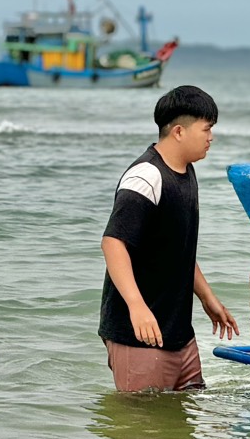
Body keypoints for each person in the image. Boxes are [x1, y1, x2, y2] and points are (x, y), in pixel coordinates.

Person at [99, 85, 239, 392]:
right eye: (206, 129)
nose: (211, 137)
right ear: (178, 131)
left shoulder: (186, 172)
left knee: (183, 429)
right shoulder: (146, 177)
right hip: (140, 335)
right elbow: (113, 242)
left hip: (179, 335)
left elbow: (178, 249)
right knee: (142, 431)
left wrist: (207, 297)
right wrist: (136, 305)